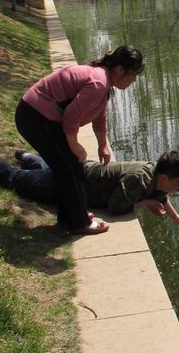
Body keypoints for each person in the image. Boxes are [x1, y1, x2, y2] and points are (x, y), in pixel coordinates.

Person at [15, 45, 145, 235]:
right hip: (36, 117)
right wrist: (74, 144)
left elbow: (100, 116)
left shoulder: (104, 82)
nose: (134, 80)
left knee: (69, 167)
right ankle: (78, 223)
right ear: (120, 70)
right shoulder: (99, 83)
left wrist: (103, 146)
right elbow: (71, 116)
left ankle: (72, 215)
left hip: (40, 116)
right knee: (69, 166)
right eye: (133, 75)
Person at [0, 141, 179, 224]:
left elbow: (161, 194)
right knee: (14, 179)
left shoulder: (156, 175)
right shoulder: (139, 180)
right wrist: (144, 203)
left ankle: (32, 158)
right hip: (68, 183)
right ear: (164, 177)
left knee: (43, 171)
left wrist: (176, 216)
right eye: (178, 182)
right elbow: (115, 206)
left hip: (81, 171)